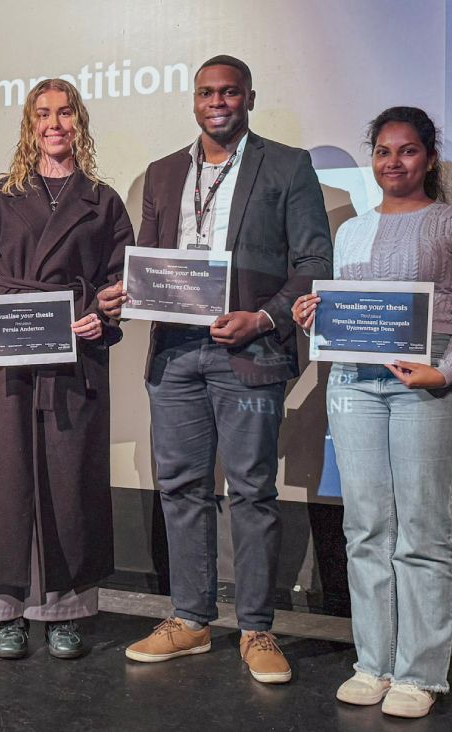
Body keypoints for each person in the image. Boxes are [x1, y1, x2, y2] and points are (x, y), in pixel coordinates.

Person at [100, 55, 332, 683]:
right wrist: (126, 290)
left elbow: (313, 260)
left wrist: (263, 318)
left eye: (229, 91)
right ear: (194, 100)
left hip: (248, 352)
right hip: (175, 353)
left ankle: (257, 628)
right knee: (181, 489)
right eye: (207, 92)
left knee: (253, 492)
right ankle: (190, 621)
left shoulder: (287, 165)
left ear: (249, 97)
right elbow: (146, 260)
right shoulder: (165, 172)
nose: (218, 101)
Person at [292, 106, 452, 718]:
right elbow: (349, 311)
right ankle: (373, 663)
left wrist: (445, 370)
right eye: (382, 151)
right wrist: (314, 314)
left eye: (406, 151)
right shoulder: (351, 230)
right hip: (352, 384)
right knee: (366, 527)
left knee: (424, 530)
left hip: (426, 384)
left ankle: (420, 672)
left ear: (428, 158)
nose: (393, 162)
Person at [0, 79, 134, 661]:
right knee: (3, 483)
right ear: (29, 124)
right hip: (8, 363)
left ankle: (63, 613)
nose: (54, 124)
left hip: (71, 358)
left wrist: (103, 317)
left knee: (67, 484)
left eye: (64, 112)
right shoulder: (1, 194)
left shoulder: (104, 199)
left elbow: (118, 284)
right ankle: (5, 613)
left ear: (80, 121)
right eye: (42, 114)